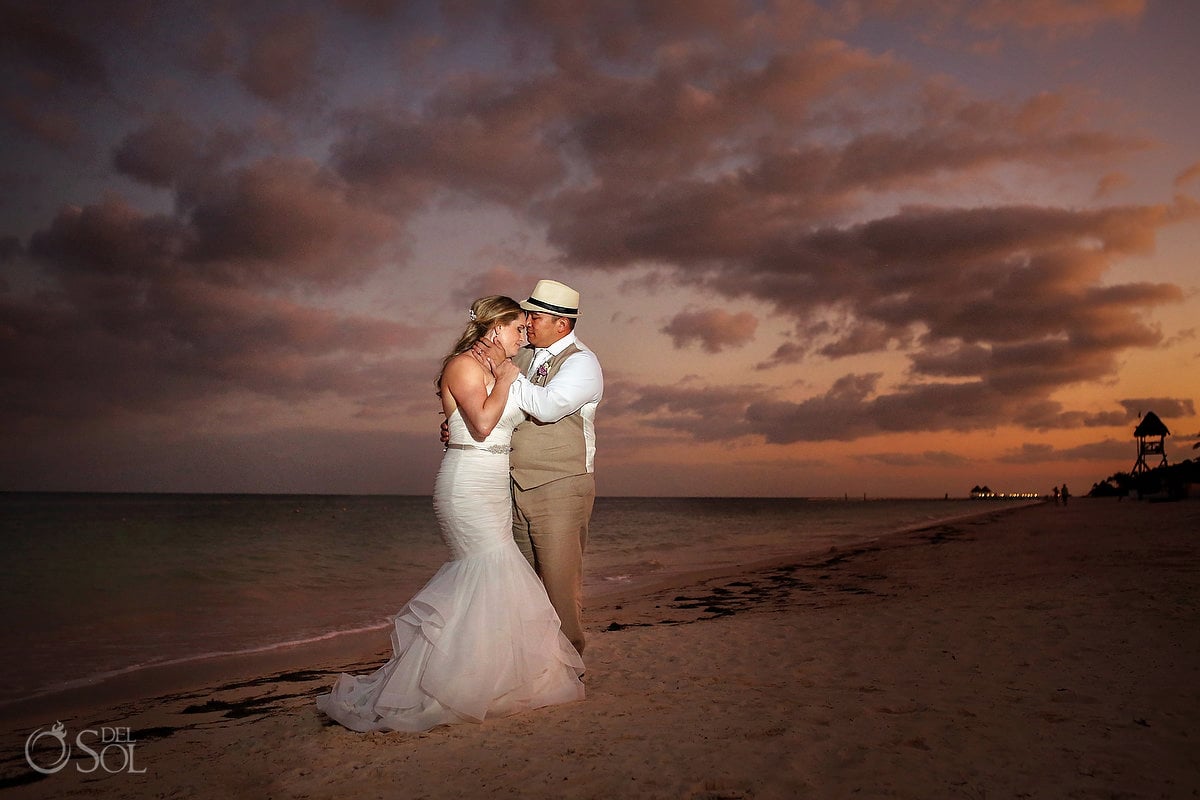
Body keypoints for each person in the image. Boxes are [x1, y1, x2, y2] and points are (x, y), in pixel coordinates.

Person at [316, 296, 584, 733]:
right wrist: (505, 381)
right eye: (518, 328)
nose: (524, 335)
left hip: (495, 480)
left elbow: (496, 423)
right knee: (483, 568)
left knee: (493, 575)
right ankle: (444, 683)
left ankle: (487, 676)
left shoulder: (499, 371)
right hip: (466, 484)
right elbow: (479, 424)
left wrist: (501, 383)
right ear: (495, 330)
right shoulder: (463, 365)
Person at [471, 279, 603, 656]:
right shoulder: (523, 357)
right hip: (512, 485)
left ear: (561, 324)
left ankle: (570, 668)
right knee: (519, 584)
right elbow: (494, 403)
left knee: (560, 587)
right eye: (527, 314)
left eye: (535, 315)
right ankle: (530, 668)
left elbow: (546, 407)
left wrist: (507, 374)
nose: (526, 322)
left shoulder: (582, 363)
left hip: (560, 486)